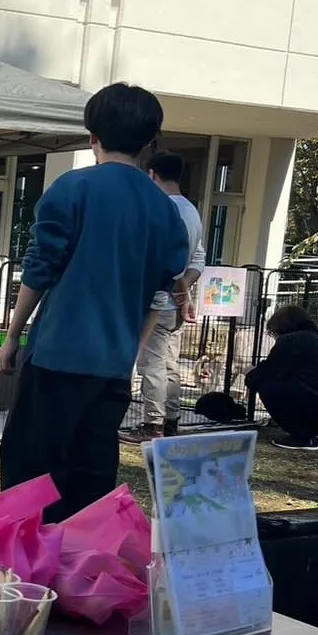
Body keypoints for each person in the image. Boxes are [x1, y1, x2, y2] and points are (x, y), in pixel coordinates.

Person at [0, 83, 189, 523]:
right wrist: (133, 351)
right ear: (149, 141)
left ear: (92, 135)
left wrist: (12, 336)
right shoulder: (165, 210)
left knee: (30, 470)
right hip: (113, 366)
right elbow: (161, 292)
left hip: (58, 357)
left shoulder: (72, 188)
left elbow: (40, 269)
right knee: (91, 475)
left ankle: (27, 572)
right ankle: (80, 569)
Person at [121, 151, 206, 443]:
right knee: (170, 364)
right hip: (177, 303)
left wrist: (177, 286)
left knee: (152, 364)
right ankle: (170, 420)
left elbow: (166, 258)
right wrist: (186, 291)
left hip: (160, 298)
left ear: (153, 174)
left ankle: (152, 423)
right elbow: (197, 258)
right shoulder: (192, 211)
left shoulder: (163, 209)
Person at [245, 304, 318, 451]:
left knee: (268, 385)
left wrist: (250, 373)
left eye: (272, 333)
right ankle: (317, 435)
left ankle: (303, 436)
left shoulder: (291, 341)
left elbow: (269, 373)